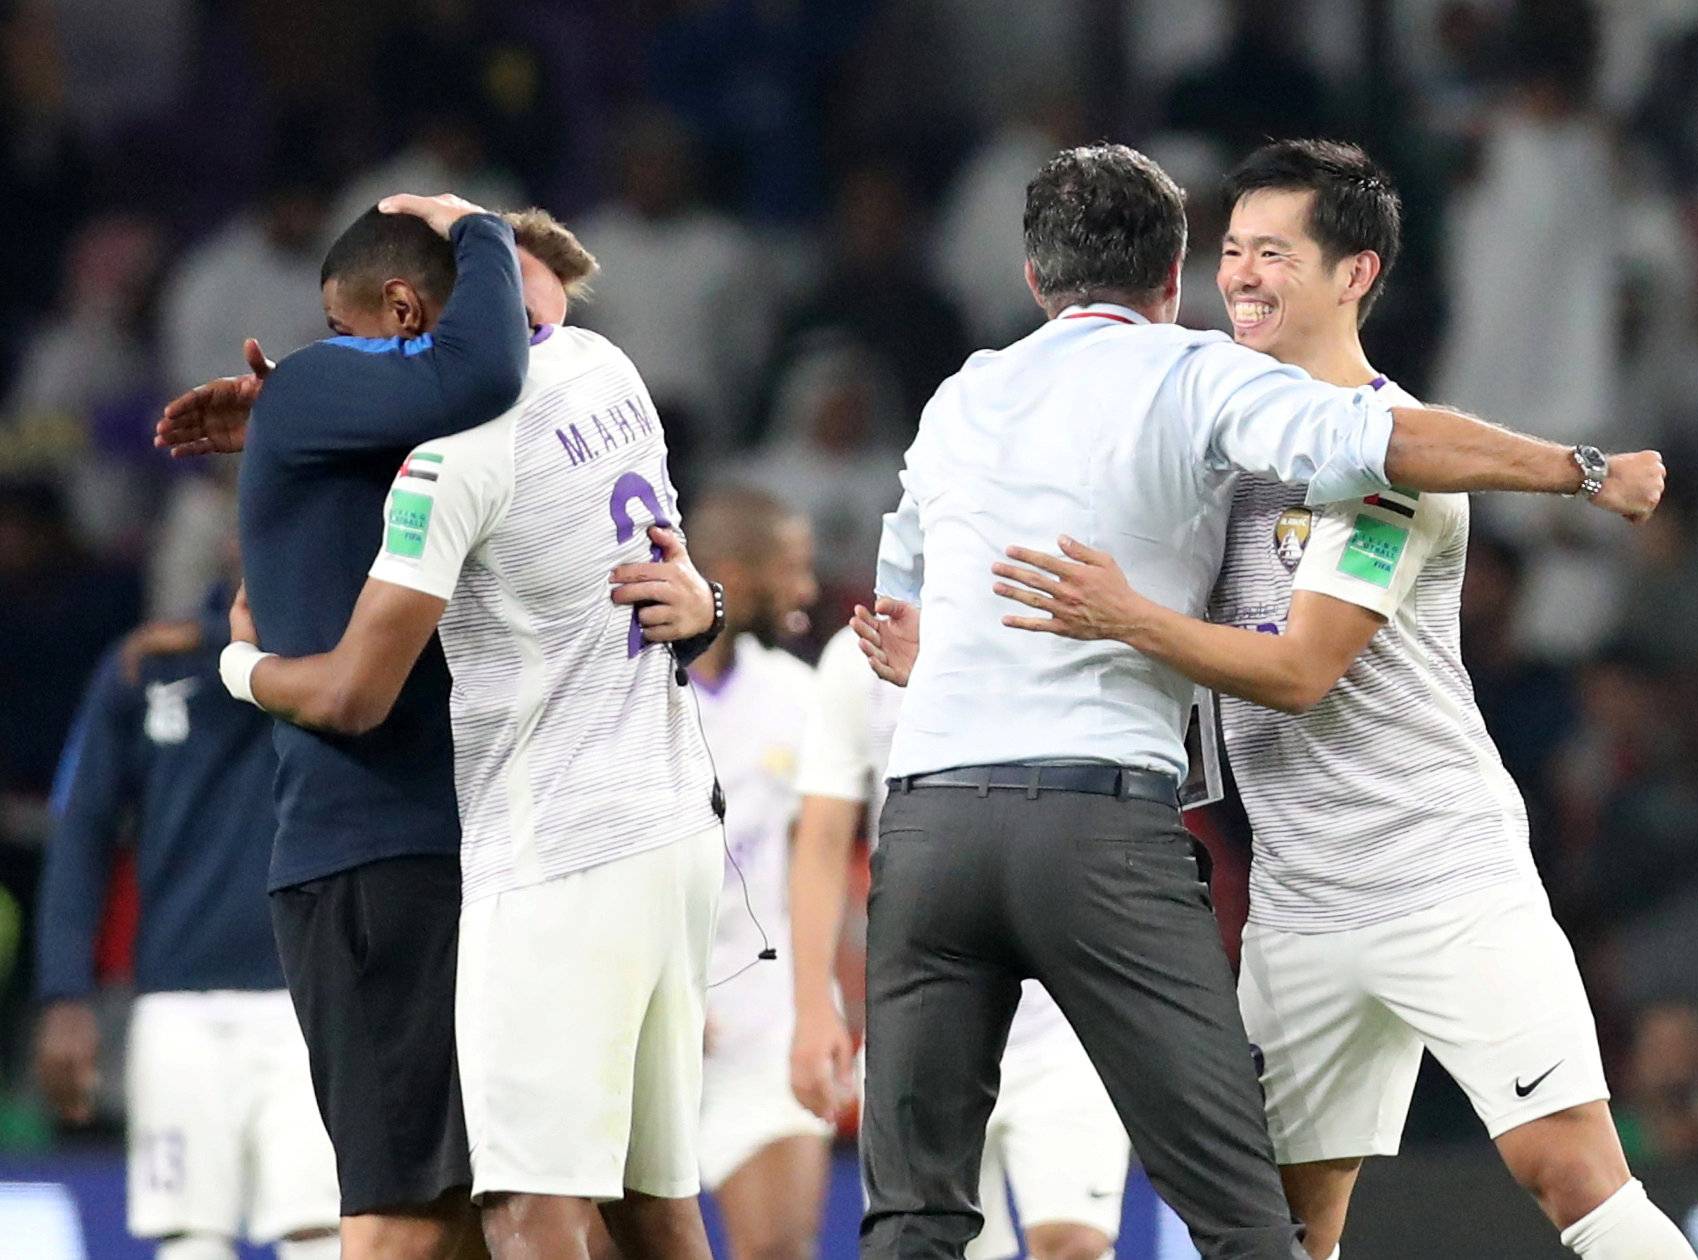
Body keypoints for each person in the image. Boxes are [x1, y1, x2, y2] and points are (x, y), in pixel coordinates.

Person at [851, 142, 1664, 1260]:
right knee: (1276, 1232)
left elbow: (1300, 668)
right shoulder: (1222, 438)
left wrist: (1586, 469)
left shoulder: (1390, 456)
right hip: (1297, 898)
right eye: (1230, 251)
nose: (1241, 278)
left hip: (1437, 872)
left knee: (1569, 1174)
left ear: (1356, 274)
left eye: (1274, 254)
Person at [213, 206, 725, 1260]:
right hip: (533, 844)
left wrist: (237, 666)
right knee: (613, 1205)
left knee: (498, 1212)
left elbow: (357, 689)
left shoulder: (457, 444)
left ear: (414, 309)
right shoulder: (600, 372)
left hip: (518, 854)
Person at [152, 194, 535, 1260]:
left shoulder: (383, 432)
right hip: (365, 852)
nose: (328, 356)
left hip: (433, 851)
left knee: (458, 1202)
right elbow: (485, 370)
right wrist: (479, 225)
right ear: (410, 306)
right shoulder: (326, 385)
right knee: (397, 1211)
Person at [789, 624, 1131, 1260]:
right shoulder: (858, 653)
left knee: (1077, 1246)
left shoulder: (1048, 628)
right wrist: (814, 1008)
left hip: (1063, 1019)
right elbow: (821, 839)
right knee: (948, 1249)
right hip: (928, 1017)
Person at [34, 591, 340, 1260]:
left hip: (311, 994)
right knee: (188, 1232)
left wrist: (205, 637)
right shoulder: (142, 667)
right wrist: (63, 991)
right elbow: (82, 827)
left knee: (319, 1225)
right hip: (176, 997)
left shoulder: (340, 649)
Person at [679, 486, 833, 1260]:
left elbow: (824, 873)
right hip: (648, 1028)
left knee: (778, 1251)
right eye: (792, 570)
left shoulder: (800, 700)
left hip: (763, 1031)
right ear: (735, 578)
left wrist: (826, 1014)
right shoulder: (636, 698)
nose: (807, 591)